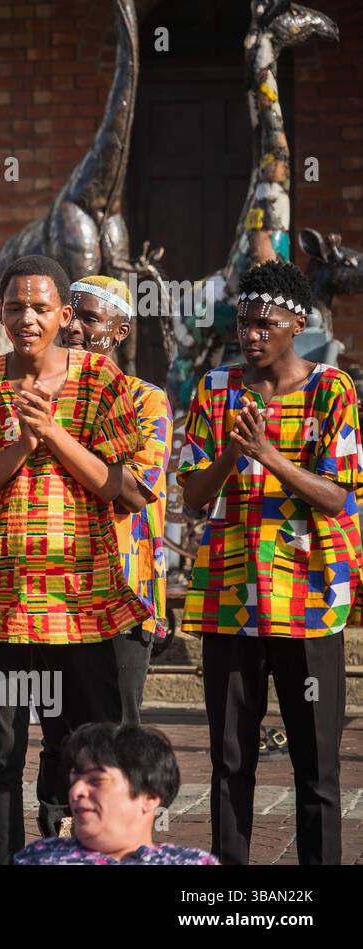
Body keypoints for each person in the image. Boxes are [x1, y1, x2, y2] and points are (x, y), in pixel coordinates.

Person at [0, 254, 148, 864]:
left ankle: (99, 857)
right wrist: (21, 445)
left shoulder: (105, 386)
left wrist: (54, 435)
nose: (26, 318)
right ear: (0, 315)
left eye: (39, 308)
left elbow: (123, 489)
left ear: (63, 313)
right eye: (14, 308)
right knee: (0, 754)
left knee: (95, 749)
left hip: (82, 604)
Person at [179, 258, 360, 865]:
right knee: (231, 761)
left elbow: (339, 495)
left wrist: (270, 456)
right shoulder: (214, 389)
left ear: (296, 323)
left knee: (317, 766)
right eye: (243, 321)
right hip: (230, 599)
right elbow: (192, 496)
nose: (250, 333)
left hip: (308, 601)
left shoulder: (330, 389)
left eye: (264, 322)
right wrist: (233, 453)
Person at [63, 275, 172, 724]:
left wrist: (61, 440)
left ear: (120, 331)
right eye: (70, 317)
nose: (74, 329)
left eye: (89, 319)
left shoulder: (146, 401)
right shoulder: (43, 398)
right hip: (56, 587)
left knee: (118, 730)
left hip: (125, 586)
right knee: (60, 738)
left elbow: (132, 493)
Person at [13, 722, 216, 865]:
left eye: (96, 780)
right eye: (74, 779)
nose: (76, 791)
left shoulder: (192, 862)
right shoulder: (38, 857)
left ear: (150, 797)